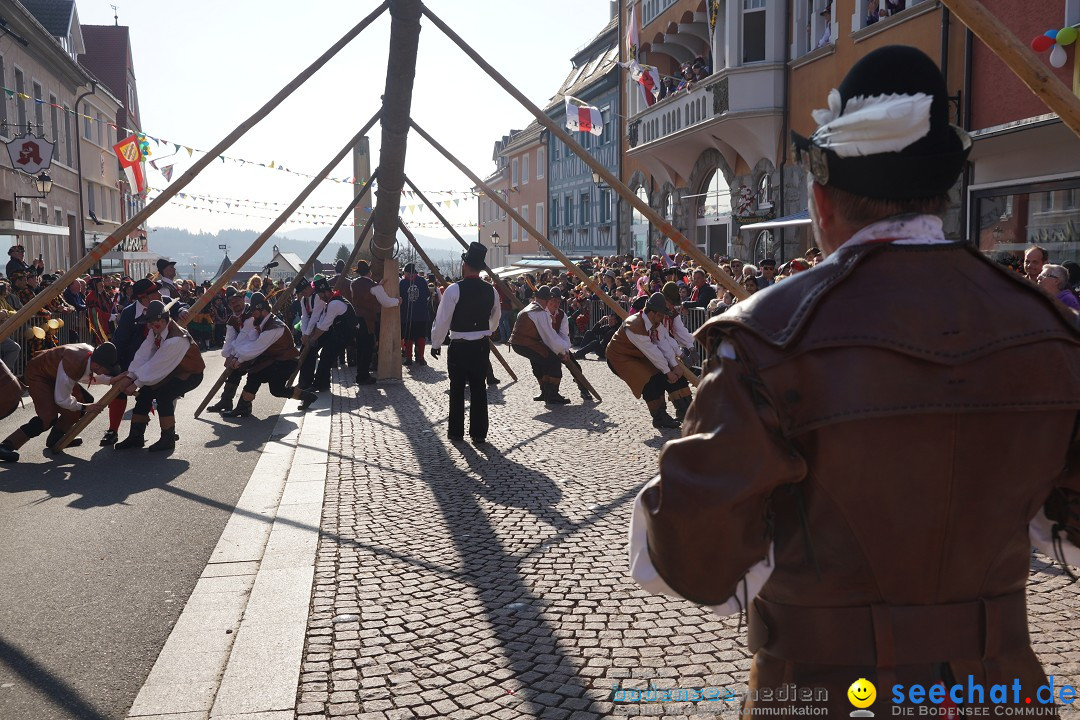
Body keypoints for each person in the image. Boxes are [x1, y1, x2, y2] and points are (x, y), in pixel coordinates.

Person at [631, 46, 1080, 717]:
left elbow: (692, 558)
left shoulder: (766, 336)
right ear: (944, 193)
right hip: (998, 688)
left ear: (820, 199)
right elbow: (1068, 527)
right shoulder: (1050, 329)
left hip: (824, 693)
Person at [429, 242, 501, 444]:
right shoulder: (491, 291)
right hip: (480, 345)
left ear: (465, 265)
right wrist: (487, 329)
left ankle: (456, 432)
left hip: (459, 344)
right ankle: (479, 433)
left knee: (457, 388)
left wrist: (436, 343)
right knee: (479, 388)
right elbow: (496, 317)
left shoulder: (454, 290)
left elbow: (442, 319)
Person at [0, 342, 121, 461]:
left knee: (83, 402)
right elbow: (62, 399)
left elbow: (83, 375)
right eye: (107, 369)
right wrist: (85, 407)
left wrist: (111, 380)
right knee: (47, 418)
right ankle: (7, 445)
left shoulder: (91, 357)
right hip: (39, 374)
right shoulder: (74, 362)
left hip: (54, 374)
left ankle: (56, 439)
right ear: (96, 365)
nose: (107, 372)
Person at [114, 300, 205, 451]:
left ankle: (168, 438)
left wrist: (136, 383)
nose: (149, 327)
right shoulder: (156, 329)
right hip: (170, 370)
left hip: (190, 374)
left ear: (162, 320)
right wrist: (130, 376)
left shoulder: (176, 339)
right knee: (145, 394)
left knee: (164, 395)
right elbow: (144, 354)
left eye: (151, 323)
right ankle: (136, 437)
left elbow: (157, 365)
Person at [219, 292, 317, 418]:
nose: (253, 317)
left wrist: (239, 360)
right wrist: (236, 357)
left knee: (276, 390)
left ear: (263, 311)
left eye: (254, 313)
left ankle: (306, 396)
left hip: (287, 361)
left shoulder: (274, 327)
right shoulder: (262, 323)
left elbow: (255, 348)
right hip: (275, 359)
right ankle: (243, 407)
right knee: (255, 373)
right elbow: (249, 341)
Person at [605, 293, 689, 429]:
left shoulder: (656, 322)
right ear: (652, 313)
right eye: (661, 314)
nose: (662, 318)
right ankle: (660, 417)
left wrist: (674, 365)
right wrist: (668, 372)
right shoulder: (634, 326)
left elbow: (663, 343)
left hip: (638, 354)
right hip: (620, 357)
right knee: (649, 381)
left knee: (668, 374)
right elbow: (654, 353)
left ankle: (686, 410)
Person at [509, 285, 572, 405]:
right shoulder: (540, 313)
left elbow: (557, 335)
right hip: (526, 344)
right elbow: (550, 337)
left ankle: (546, 393)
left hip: (520, 344)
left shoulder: (530, 307)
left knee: (540, 362)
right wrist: (563, 351)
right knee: (554, 361)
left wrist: (564, 348)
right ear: (547, 300)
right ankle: (552, 395)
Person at [298, 276, 355, 392]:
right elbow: (315, 321)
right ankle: (316, 383)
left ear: (325, 292)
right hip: (337, 333)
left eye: (319, 295)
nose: (319, 297)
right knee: (320, 354)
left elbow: (322, 325)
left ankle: (318, 384)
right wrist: (306, 335)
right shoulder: (329, 302)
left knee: (326, 356)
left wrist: (312, 338)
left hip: (345, 335)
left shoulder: (333, 304)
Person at [349, 261, 400, 385]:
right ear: (369, 272)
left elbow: (367, 292)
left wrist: (379, 285)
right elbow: (386, 302)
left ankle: (360, 374)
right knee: (366, 348)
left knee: (360, 348)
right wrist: (397, 301)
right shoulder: (374, 287)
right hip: (367, 321)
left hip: (356, 319)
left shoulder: (353, 284)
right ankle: (363, 376)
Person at [206, 287, 253, 413]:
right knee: (234, 370)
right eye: (231, 303)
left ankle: (245, 404)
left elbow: (244, 337)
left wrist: (233, 356)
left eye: (237, 300)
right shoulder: (232, 319)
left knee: (255, 375)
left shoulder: (251, 313)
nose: (235, 304)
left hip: (261, 350)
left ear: (243, 299)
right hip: (245, 350)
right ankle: (226, 401)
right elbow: (229, 339)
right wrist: (227, 356)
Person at [399, 263, 431, 366]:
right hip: (417, 314)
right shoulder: (421, 281)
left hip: (409, 315)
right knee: (414, 337)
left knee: (413, 337)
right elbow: (427, 295)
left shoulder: (403, 283)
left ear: (407, 273)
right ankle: (417, 357)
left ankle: (414, 357)